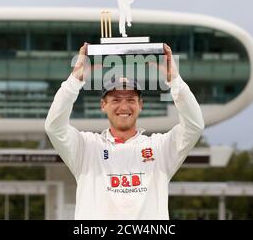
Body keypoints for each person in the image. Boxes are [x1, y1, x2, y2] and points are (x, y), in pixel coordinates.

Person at [45, 43, 204, 219]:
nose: (123, 106)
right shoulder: (87, 147)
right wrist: (74, 81)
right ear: (103, 105)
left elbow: (194, 125)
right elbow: (54, 127)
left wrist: (175, 80)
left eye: (130, 99)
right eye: (115, 100)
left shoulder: (161, 147)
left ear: (140, 105)